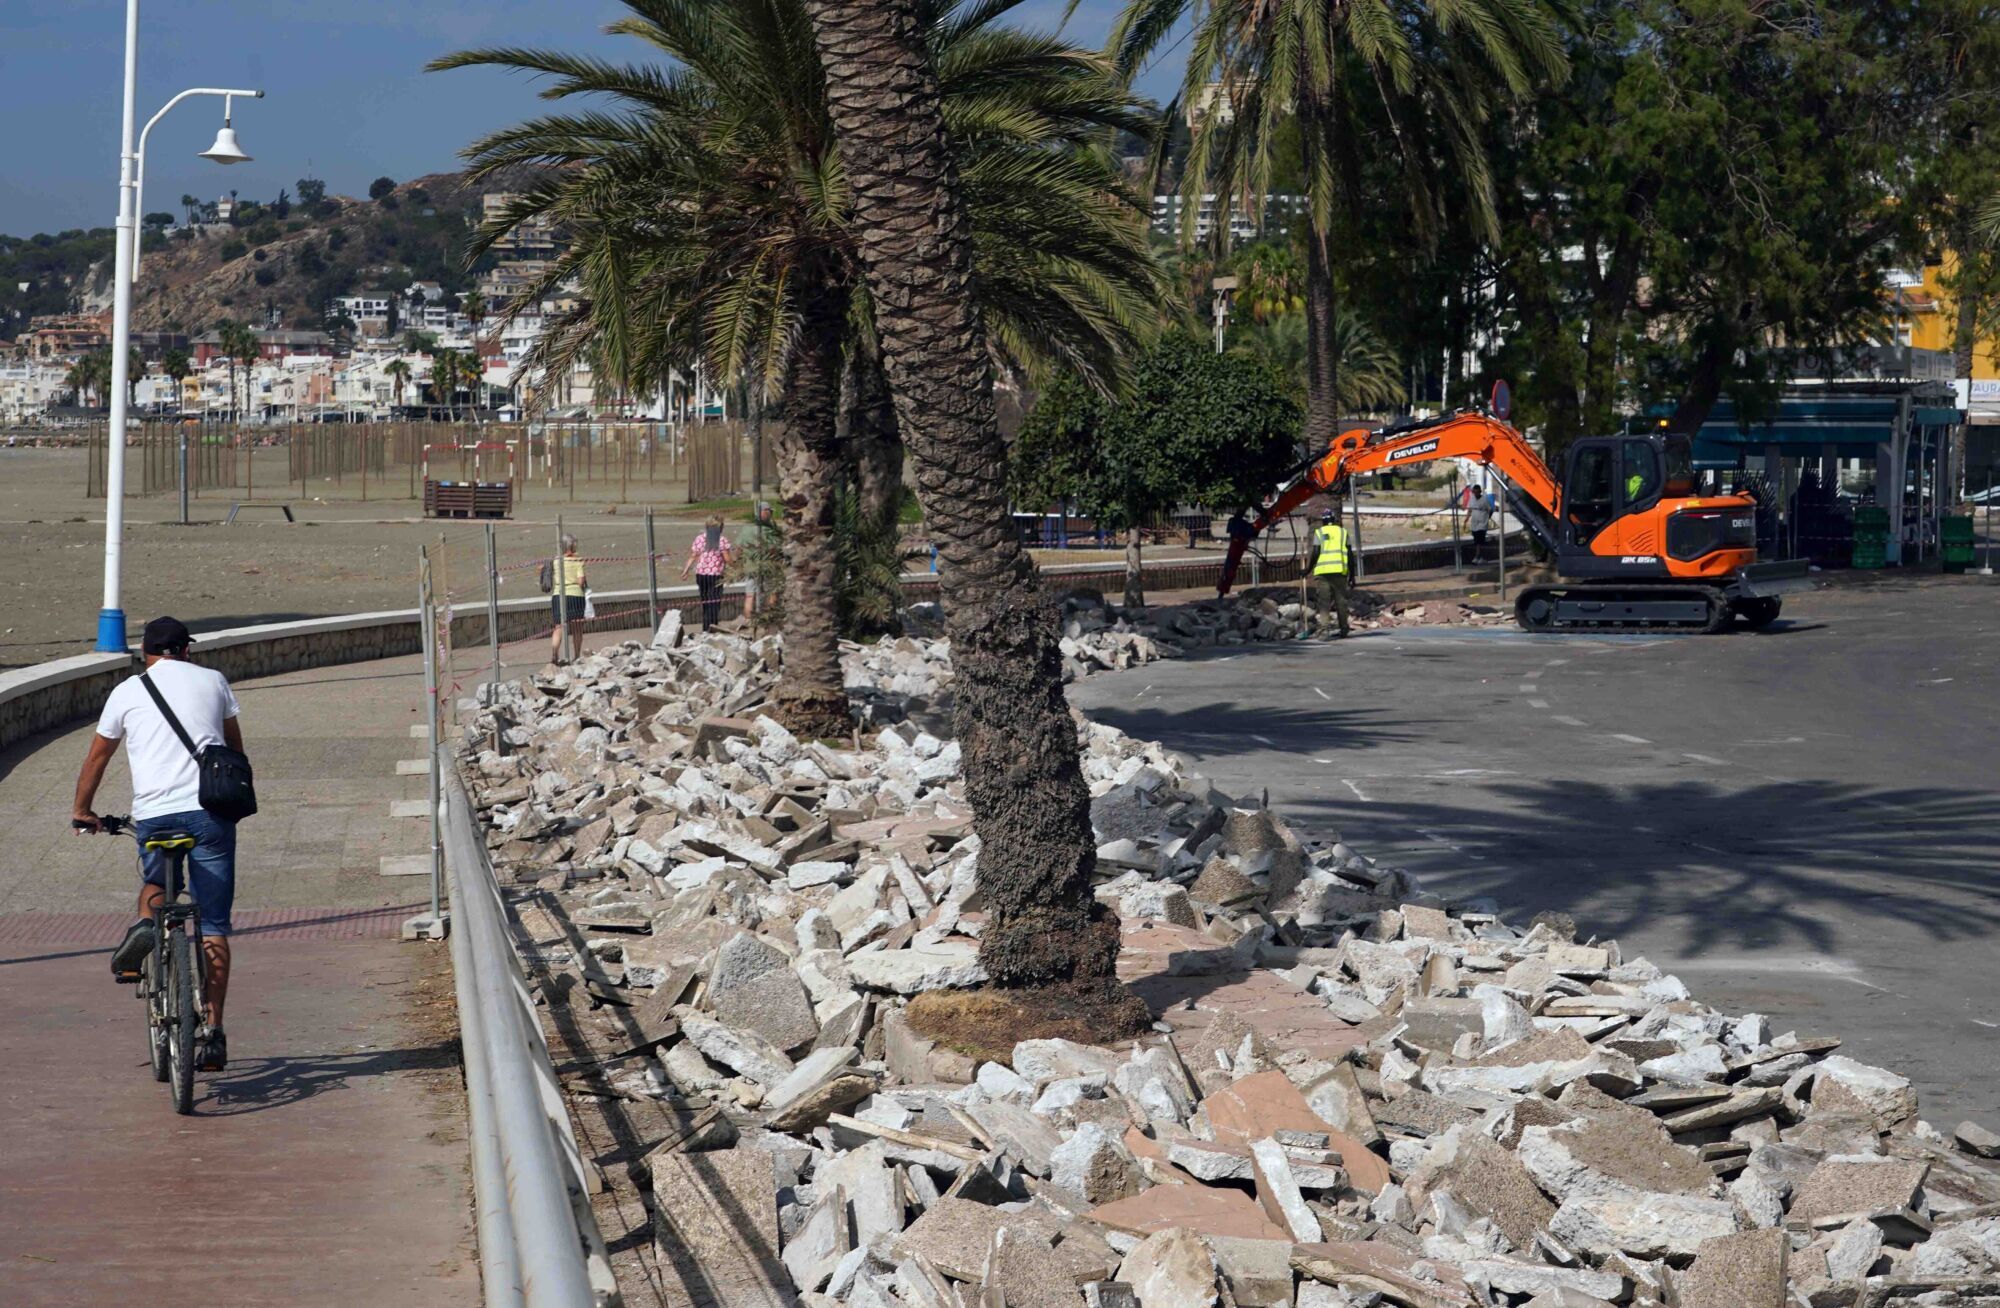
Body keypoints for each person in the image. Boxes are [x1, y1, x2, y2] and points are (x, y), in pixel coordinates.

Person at [72, 617, 245, 1072]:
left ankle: (147, 927)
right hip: (209, 813)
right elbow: (234, 751)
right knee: (214, 925)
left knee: (154, 882)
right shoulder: (214, 680)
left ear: (144, 651)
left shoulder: (127, 691)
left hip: (153, 817)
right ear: (186, 649)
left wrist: (83, 811)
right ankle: (213, 1032)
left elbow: (97, 756)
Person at [681, 514, 734, 631]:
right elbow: (727, 559)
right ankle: (712, 628)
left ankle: (705, 628)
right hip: (715, 576)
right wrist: (736, 566)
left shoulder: (699, 539)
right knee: (714, 603)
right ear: (720, 527)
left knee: (705, 602)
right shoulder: (722, 540)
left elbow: (693, 556)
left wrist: (685, 570)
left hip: (701, 575)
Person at [1306, 506, 1351, 638]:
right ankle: (1344, 629)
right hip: (1339, 572)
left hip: (1323, 573)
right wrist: (1352, 574)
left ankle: (1324, 630)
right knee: (1341, 602)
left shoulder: (1319, 533)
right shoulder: (1343, 532)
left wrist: (1307, 570)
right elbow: (1349, 554)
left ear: (1323, 521)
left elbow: (1315, 553)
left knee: (1324, 602)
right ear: (1334, 519)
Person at [544, 534, 588, 665]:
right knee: (577, 628)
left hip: (558, 595)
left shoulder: (555, 561)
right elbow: (581, 581)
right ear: (572, 545)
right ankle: (576, 656)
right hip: (575, 595)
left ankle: (554, 655)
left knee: (558, 627)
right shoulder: (578, 560)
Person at [743, 503, 779, 623]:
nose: (771, 515)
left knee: (750, 596)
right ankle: (771, 618)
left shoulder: (747, 529)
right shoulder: (769, 530)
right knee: (771, 593)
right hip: (767, 566)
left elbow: (739, 548)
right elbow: (775, 548)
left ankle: (749, 621)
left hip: (751, 566)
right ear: (764, 512)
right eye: (770, 511)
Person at [1466, 492, 1494, 562]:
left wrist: (1487, 518)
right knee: (1477, 540)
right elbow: (1469, 509)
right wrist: (1466, 519)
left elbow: (1490, 510)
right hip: (1474, 523)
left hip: (1482, 523)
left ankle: (1477, 556)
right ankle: (1479, 557)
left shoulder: (1484, 500)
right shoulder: (1472, 499)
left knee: (1479, 540)